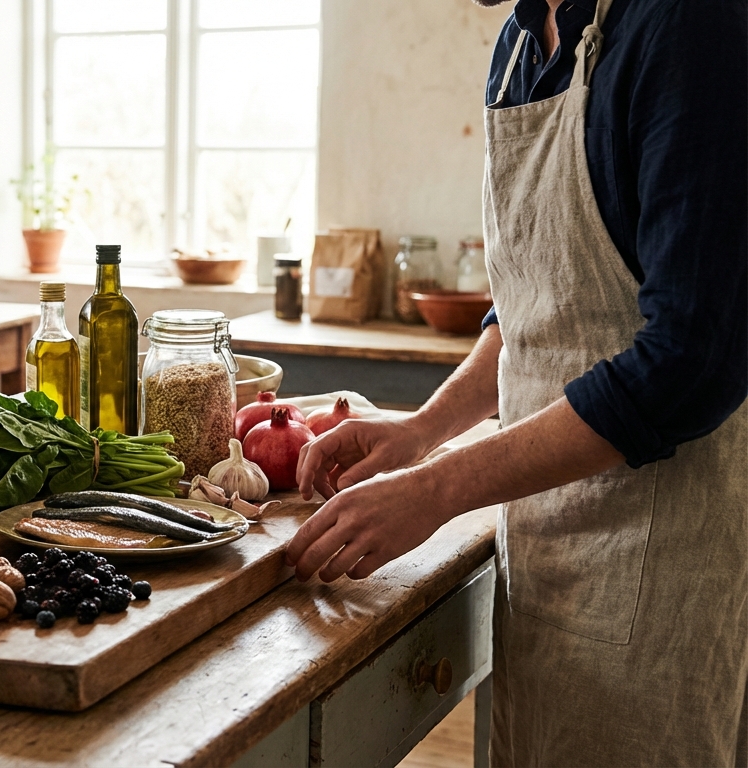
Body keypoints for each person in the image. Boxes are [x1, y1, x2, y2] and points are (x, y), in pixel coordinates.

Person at [284, 0, 746, 764]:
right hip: (542, 550)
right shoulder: (519, 44)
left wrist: (438, 488)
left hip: (664, 569)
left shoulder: (688, 26)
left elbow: (693, 362)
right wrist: (423, 430)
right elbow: (534, 301)